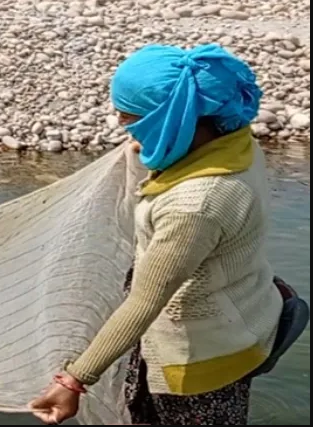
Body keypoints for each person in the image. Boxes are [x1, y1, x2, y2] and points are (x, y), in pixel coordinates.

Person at [28, 43, 284, 425]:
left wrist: (74, 380)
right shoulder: (234, 143)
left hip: (201, 364)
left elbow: (144, 303)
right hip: (245, 312)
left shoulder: (196, 205)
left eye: (132, 119)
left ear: (174, 121)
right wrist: (151, 141)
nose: (121, 123)